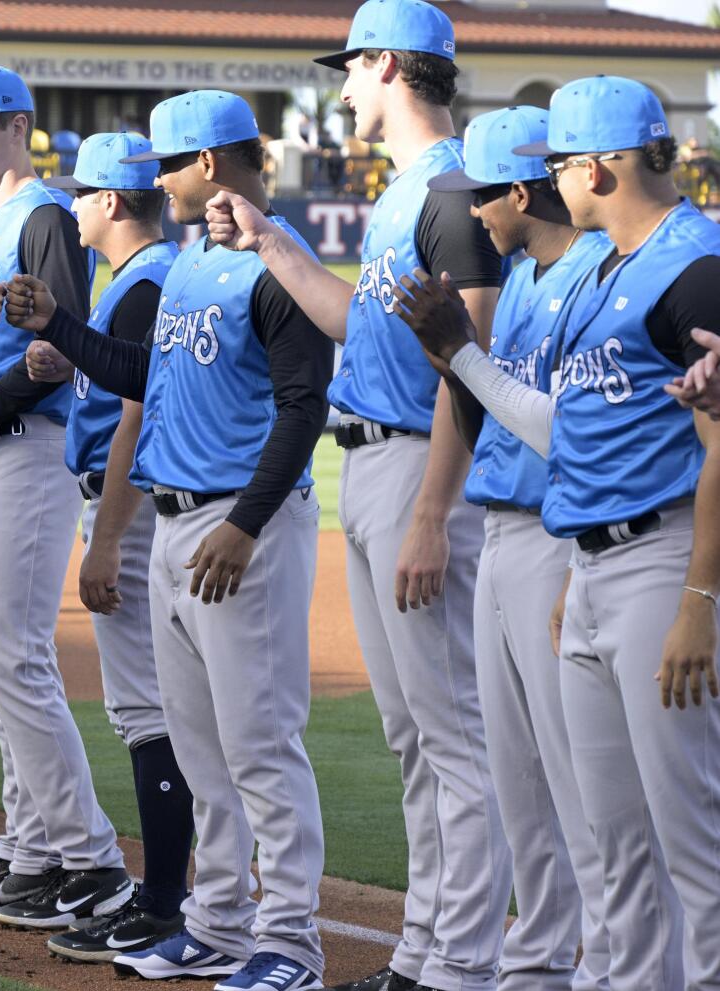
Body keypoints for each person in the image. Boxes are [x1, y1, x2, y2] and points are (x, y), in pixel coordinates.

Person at [205, 4, 511, 987]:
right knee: (413, 737)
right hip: (377, 466)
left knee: (455, 738)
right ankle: (419, 953)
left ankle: (458, 965)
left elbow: (473, 360)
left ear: (388, 64)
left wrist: (431, 511)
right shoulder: (400, 196)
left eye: (350, 68)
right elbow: (354, 323)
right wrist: (271, 243)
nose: (339, 86)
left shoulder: (452, 188)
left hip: (425, 471)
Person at [394, 75, 720, 991]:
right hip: (593, 555)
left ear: (605, 167)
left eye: (563, 164)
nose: (552, 182)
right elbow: (566, 434)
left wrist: (700, 597)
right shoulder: (608, 268)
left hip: (665, 560)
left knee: (693, 841)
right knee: (615, 842)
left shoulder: (694, 261)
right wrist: (460, 354)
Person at [13, 97, 334, 988]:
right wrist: (56, 327)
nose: (154, 180)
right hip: (175, 522)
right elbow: (136, 376)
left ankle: (291, 941)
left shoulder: (279, 264)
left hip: (241, 525)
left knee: (261, 743)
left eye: (167, 163)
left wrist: (245, 521)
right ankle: (221, 922)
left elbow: (305, 404)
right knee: (201, 747)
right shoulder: (193, 262)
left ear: (210, 161)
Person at [0, 65, 130, 929]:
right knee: (4, 662)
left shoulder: (41, 216)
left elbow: (60, 346)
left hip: (26, 452)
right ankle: (33, 848)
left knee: (15, 658)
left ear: (19, 126)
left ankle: (91, 855)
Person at [419, 105, 613, 991]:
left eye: (480, 199)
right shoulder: (527, 276)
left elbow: (560, 435)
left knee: (581, 782)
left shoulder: (586, 279)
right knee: (517, 775)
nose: (472, 217)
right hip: (498, 534)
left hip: (555, 537)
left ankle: (611, 961)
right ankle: (534, 962)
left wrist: (456, 353)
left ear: (523, 192)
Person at [13, 131, 196, 964]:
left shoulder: (144, 284)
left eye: (82, 194)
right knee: (155, 706)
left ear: (111, 202)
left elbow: (134, 416)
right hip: (132, 508)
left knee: (151, 709)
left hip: (133, 512)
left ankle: (164, 900)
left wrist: (108, 540)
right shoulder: (138, 283)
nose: (72, 206)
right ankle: (168, 895)